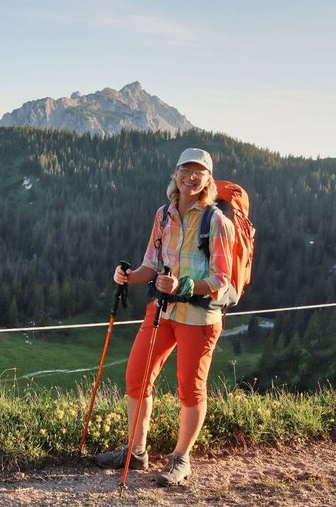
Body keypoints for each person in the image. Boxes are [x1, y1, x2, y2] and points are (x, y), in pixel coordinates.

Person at [94, 147, 234, 486]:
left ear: (208, 179)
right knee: (136, 377)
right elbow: (151, 265)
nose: (190, 176)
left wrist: (183, 285)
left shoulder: (217, 221)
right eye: (185, 169)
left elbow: (221, 281)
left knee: (190, 390)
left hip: (198, 319)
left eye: (198, 171)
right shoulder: (163, 215)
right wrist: (128, 275)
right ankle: (136, 451)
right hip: (161, 311)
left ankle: (180, 460)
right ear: (176, 174)